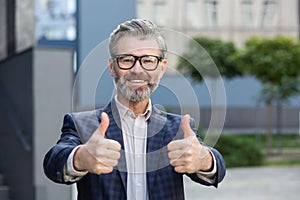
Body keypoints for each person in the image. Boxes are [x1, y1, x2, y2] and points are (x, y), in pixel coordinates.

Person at [43, 18, 226, 200]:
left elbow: (217, 169)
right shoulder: (83, 124)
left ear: (161, 68)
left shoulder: (178, 128)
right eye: (126, 59)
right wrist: (80, 157)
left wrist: (204, 159)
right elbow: (53, 162)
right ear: (112, 67)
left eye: (148, 60)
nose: (137, 70)